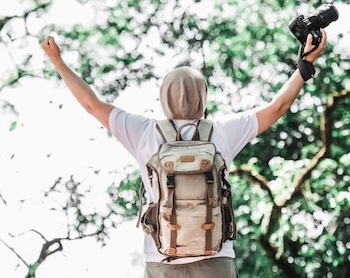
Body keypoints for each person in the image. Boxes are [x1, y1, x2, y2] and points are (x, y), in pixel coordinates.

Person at [41, 29, 327, 278]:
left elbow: (92, 105)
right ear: (203, 98)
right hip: (216, 259)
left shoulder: (143, 132)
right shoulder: (223, 132)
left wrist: (57, 60)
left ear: (163, 97)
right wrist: (305, 65)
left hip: (161, 260)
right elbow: (276, 108)